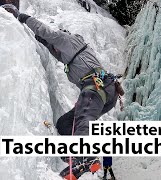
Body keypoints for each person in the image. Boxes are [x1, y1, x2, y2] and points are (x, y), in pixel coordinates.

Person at [6, 6, 121, 180]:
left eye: (56, 46)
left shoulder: (66, 39)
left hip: (96, 87)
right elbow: (50, 46)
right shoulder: (71, 52)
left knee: (83, 120)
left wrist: (21, 16)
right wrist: (39, 40)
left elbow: (46, 33)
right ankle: (77, 155)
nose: (56, 50)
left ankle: (85, 158)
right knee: (65, 124)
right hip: (105, 92)